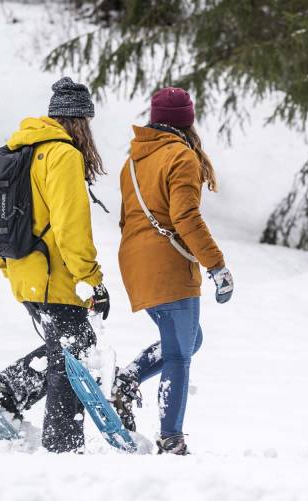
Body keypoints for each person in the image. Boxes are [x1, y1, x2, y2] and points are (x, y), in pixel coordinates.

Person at [112, 87, 234, 455]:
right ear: (187, 121)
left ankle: (126, 381)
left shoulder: (134, 160)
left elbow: (126, 219)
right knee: (180, 354)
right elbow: (185, 217)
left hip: (134, 261)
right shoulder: (181, 156)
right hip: (168, 265)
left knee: (189, 340)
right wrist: (216, 265)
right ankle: (171, 437)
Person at [0, 77, 111, 453]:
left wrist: (9, 269)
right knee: (74, 355)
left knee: (67, 348)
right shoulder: (63, 155)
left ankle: (9, 390)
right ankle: (61, 445)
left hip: (24, 272)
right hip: (53, 276)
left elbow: (1, 217)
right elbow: (70, 227)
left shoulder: (21, 151)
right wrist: (92, 280)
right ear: (79, 121)